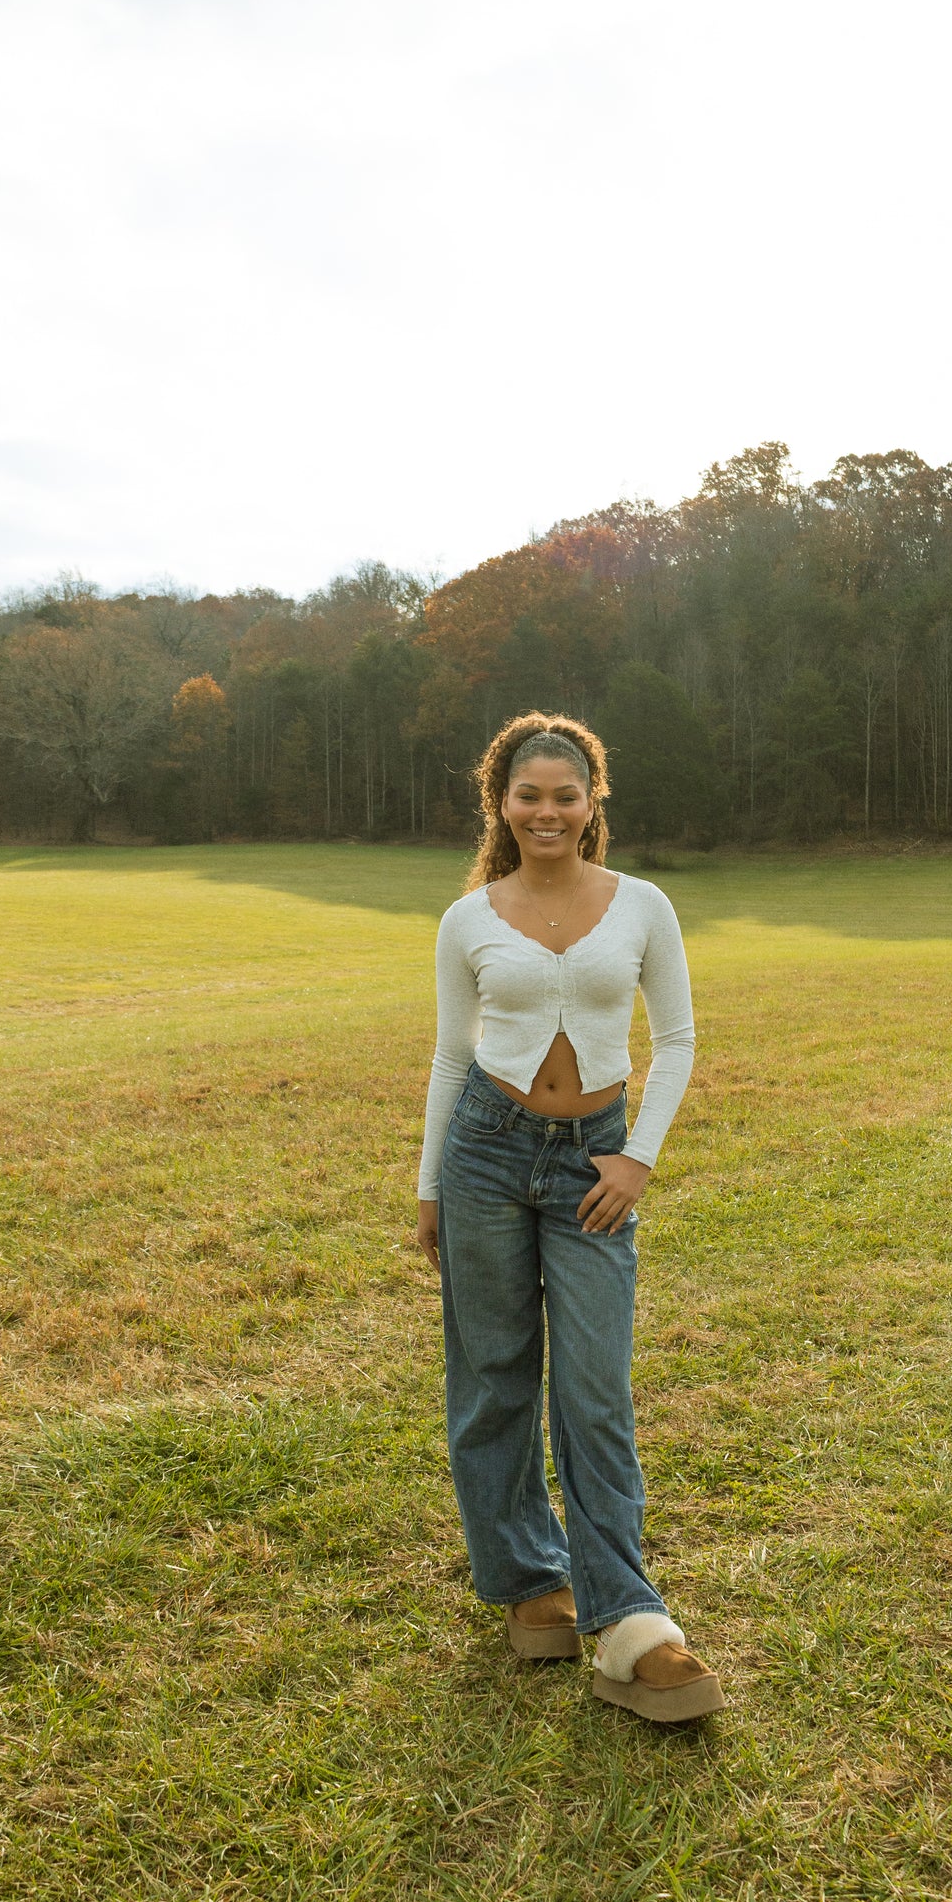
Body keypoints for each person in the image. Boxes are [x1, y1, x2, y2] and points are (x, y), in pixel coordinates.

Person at [415, 711, 723, 1723]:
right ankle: (529, 1584)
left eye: (564, 793)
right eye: (526, 794)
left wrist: (636, 1160)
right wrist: (429, 1185)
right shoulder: (469, 917)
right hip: (485, 1154)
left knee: (592, 1385)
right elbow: (451, 1058)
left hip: (594, 1161)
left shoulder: (641, 905)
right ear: (499, 802)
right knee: (493, 1374)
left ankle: (628, 1620)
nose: (545, 811)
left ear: (591, 801)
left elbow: (674, 1039)